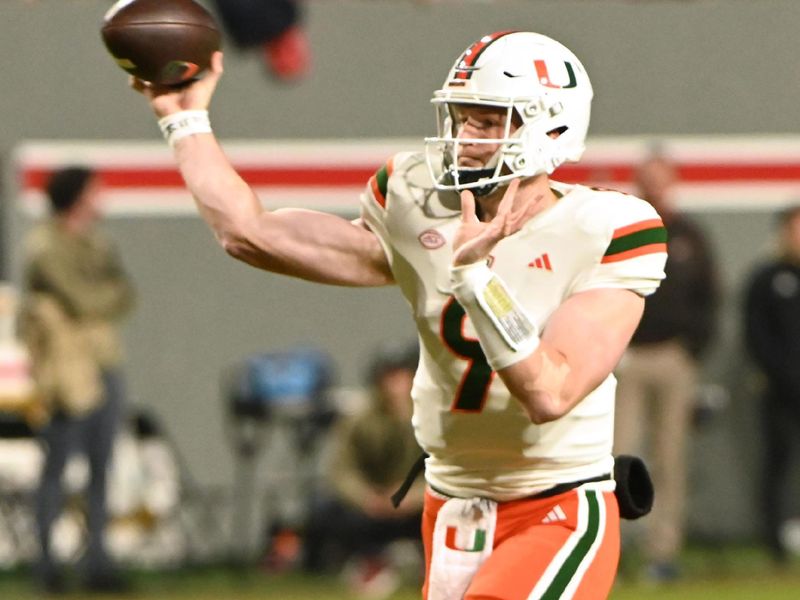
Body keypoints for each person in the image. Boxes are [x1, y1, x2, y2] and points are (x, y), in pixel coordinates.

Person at [130, 30, 667, 599]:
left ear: (551, 126)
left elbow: (550, 393)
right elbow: (250, 234)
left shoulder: (607, 228)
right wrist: (185, 124)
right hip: (451, 504)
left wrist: (478, 282)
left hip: (555, 503)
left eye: (487, 122)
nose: (464, 138)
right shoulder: (417, 201)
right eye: (460, 119)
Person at [21, 166, 136, 593]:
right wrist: (101, 299)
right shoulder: (45, 246)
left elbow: (124, 294)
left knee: (101, 467)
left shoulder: (98, 244)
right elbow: (84, 297)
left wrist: (100, 300)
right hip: (66, 370)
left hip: (103, 361)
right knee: (57, 466)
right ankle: (47, 563)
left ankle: (97, 561)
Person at [612, 151, 719, 582]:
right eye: (647, 180)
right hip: (627, 354)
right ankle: (610, 552)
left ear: (672, 183)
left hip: (673, 355)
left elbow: (711, 296)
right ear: (638, 184)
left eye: (661, 180)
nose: (655, 188)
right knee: (617, 455)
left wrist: (692, 348)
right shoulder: (622, 229)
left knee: (669, 457)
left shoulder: (690, 236)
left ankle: (663, 552)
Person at [302, 341, 423, 597]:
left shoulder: (428, 415)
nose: (396, 383)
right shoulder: (359, 418)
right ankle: (368, 562)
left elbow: (441, 466)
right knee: (327, 509)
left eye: (402, 374)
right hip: (372, 504)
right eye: (389, 375)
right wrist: (365, 498)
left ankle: (424, 563)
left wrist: (411, 498)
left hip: (414, 503)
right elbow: (342, 470)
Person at [742, 205, 800, 565]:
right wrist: (784, 375)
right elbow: (757, 335)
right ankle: (775, 544)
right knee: (776, 465)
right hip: (779, 391)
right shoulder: (766, 279)